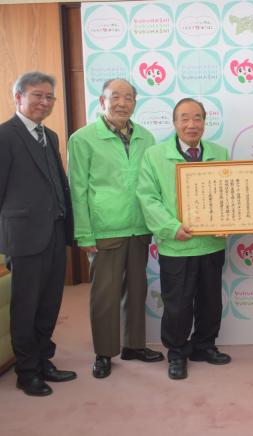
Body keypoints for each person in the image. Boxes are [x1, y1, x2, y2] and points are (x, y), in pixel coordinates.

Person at [68, 78, 163, 379]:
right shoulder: (83, 139)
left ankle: (134, 344)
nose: (122, 103)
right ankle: (104, 352)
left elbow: (153, 184)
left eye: (129, 98)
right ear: (102, 101)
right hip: (105, 229)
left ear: (135, 102)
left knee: (137, 290)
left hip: (139, 226)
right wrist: (84, 233)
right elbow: (78, 190)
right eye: (116, 97)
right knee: (105, 295)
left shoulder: (146, 137)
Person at [137, 98, 231, 380]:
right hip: (176, 244)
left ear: (205, 122)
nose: (192, 124)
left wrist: (228, 223)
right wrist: (170, 227)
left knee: (210, 299)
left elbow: (229, 192)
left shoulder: (219, 152)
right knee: (177, 303)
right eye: (185, 118)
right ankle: (177, 352)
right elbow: (148, 197)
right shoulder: (155, 155)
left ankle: (204, 345)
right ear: (174, 122)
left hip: (211, 244)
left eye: (198, 118)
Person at [0, 71, 76, 396]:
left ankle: (44, 359)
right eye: (37, 96)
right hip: (24, 237)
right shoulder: (5, 135)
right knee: (25, 307)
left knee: (49, 303)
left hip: (55, 233)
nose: (44, 102)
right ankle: (26, 371)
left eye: (49, 97)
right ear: (18, 97)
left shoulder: (52, 136)